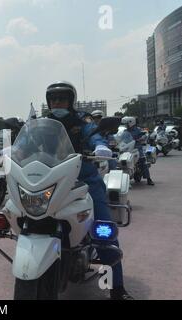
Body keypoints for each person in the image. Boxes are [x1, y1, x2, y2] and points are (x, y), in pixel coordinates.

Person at [45, 81, 134, 300]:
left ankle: (116, 288)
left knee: (103, 232)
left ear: (71, 100)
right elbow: (27, 138)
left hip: (82, 179)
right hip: (50, 179)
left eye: (62, 98)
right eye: (53, 99)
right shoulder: (43, 122)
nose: (57, 102)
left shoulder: (81, 119)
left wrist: (99, 145)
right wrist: (8, 148)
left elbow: (93, 132)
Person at [122, 117, 154, 186]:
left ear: (131, 123)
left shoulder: (138, 130)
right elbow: (121, 139)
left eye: (127, 124)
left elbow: (145, 135)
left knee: (143, 161)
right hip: (127, 148)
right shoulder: (125, 131)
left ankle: (149, 179)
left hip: (137, 148)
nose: (126, 125)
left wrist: (141, 138)